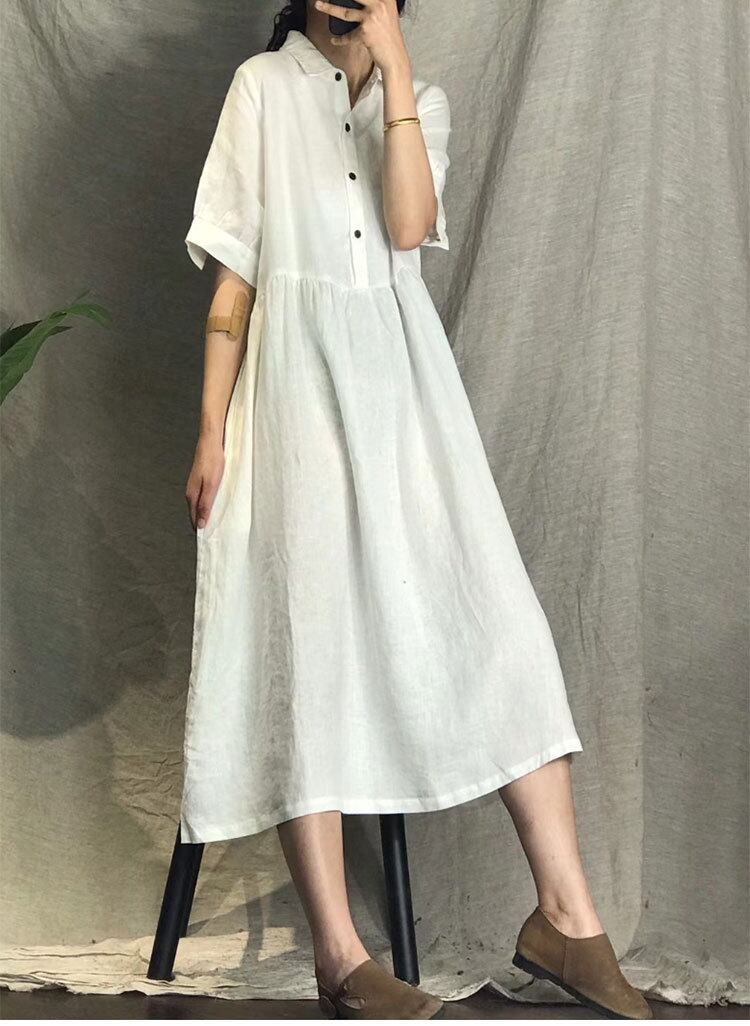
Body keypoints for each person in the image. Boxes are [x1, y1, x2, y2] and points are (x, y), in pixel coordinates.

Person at [181, 0, 652, 1019]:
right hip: (294, 393)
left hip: (404, 395)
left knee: (502, 628)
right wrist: (212, 429)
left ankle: (566, 920)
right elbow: (234, 282)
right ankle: (342, 961)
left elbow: (404, 227)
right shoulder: (261, 89)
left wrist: (393, 66)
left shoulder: (419, 98)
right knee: (308, 655)